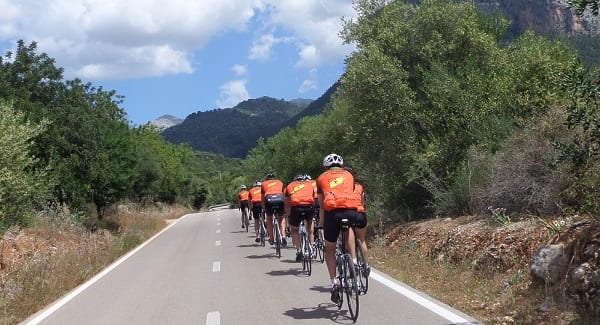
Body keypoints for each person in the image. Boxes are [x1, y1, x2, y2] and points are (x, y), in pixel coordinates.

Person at [317, 153, 360, 304]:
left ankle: (334, 282)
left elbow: (322, 206)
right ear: (341, 165)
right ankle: (354, 261)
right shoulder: (349, 175)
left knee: (329, 248)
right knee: (348, 229)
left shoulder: (321, 178)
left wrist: (321, 224)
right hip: (351, 211)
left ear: (325, 167)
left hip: (332, 214)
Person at [284, 174, 316, 262]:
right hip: (309, 206)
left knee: (294, 230)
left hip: (296, 207)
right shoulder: (309, 185)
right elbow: (313, 197)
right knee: (310, 227)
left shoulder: (289, 186)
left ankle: (299, 251)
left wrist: (289, 214)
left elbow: (286, 204)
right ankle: (312, 246)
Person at [261, 173, 287, 247]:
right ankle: (283, 236)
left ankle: (271, 238)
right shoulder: (280, 182)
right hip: (280, 198)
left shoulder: (263, 184)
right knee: (281, 218)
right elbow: (284, 194)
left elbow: (262, 198)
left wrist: (264, 208)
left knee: (269, 219)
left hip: (269, 199)